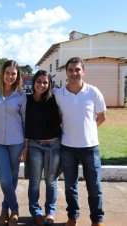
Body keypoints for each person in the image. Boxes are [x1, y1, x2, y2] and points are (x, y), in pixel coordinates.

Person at [54, 57, 106, 226]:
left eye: (77, 69)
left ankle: (97, 219)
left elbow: (102, 117)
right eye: (70, 70)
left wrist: (88, 132)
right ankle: (72, 217)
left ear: (83, 71)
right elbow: (59, 118)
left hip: (90, 148)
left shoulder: (93, 92)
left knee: (95, 187)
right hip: (67, 148)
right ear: (66, 72)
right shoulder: (59, 94)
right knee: (70, 187)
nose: (74, 73)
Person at [0, 60, 27, 226]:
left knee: (13, 178)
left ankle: (3, 209)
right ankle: (14, 209)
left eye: (13, 73)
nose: (10, 76)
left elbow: (25, 122)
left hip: (17, 142)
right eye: (7, 73)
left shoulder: (22, 96)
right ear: (2, 74)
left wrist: (26, 146)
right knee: (5, 180)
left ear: (17, 76)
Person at [24, 70, 62, 226]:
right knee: (34, 181)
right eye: (38, 81)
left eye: (45, 82)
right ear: (33, 83)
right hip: (35, 145)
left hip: (54, 145)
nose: (42, 85)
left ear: (49, 84)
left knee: (51, 181)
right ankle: (36, 212)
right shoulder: (26, 100)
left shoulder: (55, 99)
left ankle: (50, 212)